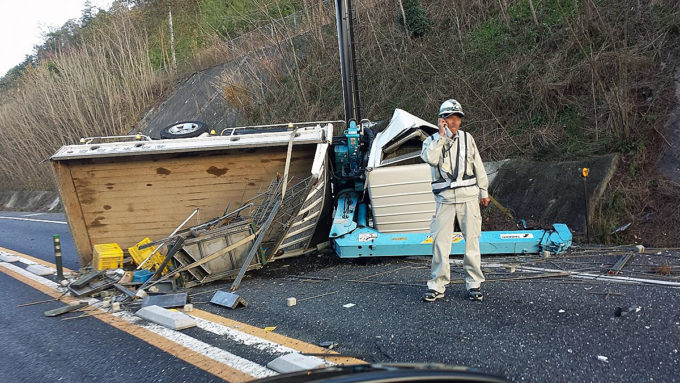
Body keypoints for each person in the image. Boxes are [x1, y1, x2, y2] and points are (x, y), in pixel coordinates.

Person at [420, 99, 490, 302]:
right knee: (440, 244)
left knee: (472, 242)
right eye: (450, 118)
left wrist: (483, 192)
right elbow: (431, 159)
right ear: (441, 120)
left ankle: (474, 284)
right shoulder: (431, 140)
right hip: (445, 199)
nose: (454, 122)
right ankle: (437, 285)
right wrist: (441, 137)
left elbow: (478, 165)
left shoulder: (468, 138)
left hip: (468, 196)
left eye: (457, 118)